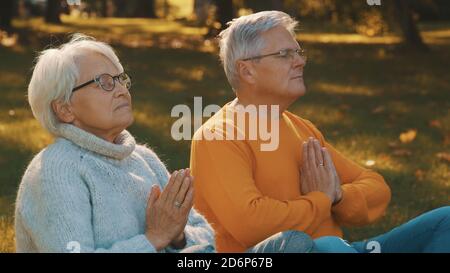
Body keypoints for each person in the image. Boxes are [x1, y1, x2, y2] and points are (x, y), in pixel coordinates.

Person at [14, 33, 317, 253]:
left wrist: (178, 238)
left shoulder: (142, 158)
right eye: (104, 83)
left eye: (120, 79)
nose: (120, 90)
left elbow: (205, 238)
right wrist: (154, 238)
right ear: (63, 108)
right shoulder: (55, 170)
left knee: (315, 244)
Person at [189, 11, 450, 253]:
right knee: (326, 246)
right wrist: (320, 199)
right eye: (284, 54)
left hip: (344, 248)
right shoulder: (218, 137)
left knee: (446, 221)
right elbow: (252, 224)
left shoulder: (301, 128)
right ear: (247, 70)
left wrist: (338, 196)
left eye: (298, 52)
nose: (300, 61)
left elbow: (376, 188)